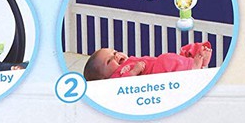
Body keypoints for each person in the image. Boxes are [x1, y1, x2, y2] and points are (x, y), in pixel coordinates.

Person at [83, 41, 211, 81]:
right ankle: (193, 66)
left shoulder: (125, 63)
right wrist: (134, 71)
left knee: (179, 56)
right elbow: (123, 83)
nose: (116, 56)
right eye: (109, 60)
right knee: (166, 59)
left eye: (115, 52)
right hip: (153, 74)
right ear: (104, 78)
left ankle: (196, 60)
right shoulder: (114, 79)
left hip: (155, 66)